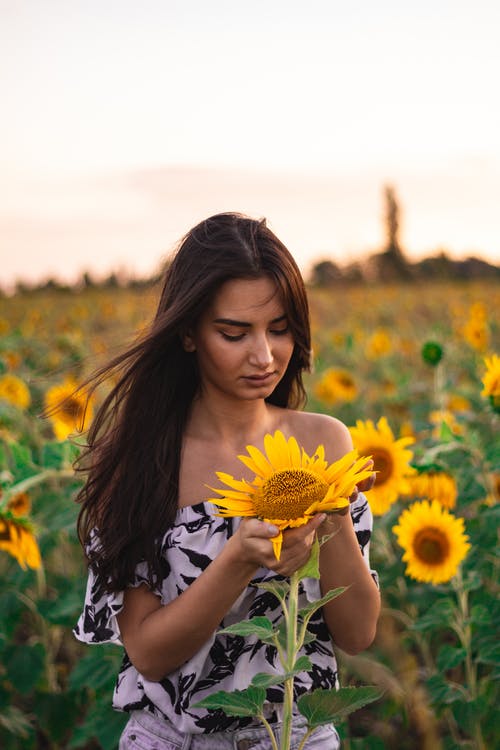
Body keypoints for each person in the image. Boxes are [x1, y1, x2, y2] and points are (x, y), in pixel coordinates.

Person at [74, 212, 380, 749]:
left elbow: (358, 634)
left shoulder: (324, 444)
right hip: (174, 740)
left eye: (280, 329)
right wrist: (238, 559)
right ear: (188, 334)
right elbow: (148, 653)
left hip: (298, 736)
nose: (264, 356)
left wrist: (329, 517)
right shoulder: (140, 461)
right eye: (234, 333)